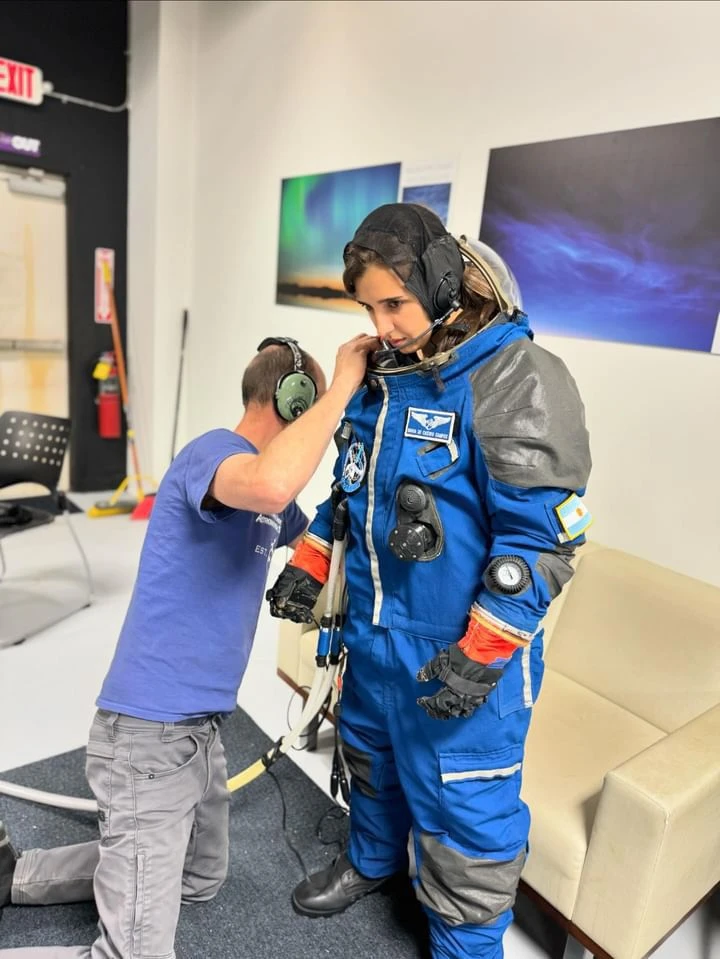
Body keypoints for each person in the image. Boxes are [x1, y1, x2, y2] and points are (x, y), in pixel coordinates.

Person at [267, 203, 592, 959]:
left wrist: (482, 651)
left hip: (462, 652)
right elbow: (353, 492)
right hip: (376, 639)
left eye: (395, 303)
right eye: (369, 307)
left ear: (443, 283)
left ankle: (467, 946)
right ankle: (373, 862)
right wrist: (312, 562)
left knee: (466, 810)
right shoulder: (383, 377)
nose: (381, 325)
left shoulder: (513, 378)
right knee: (371, 763)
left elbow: (538, 543)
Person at [0, 331, 379, 959]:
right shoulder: (214, 457)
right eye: (311, 410)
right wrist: (342, 386)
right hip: (147, 734)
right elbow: (270, 486)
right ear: (293, 401)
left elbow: (319, 547)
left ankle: (19, 876)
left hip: (199, 736)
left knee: (198, 879)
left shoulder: (267, 500)